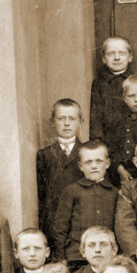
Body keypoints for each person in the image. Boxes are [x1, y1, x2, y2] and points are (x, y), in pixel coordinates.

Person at [53, 141, 118, 269]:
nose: (94, 166)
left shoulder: (114, 192)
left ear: (108, 163)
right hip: (77, 257)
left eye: (99, 161)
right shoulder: (71, 190)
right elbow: (61, 227)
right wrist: (61, 258)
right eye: (88, 162)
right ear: (81, 166)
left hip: (107, 256)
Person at [35, 98, 85, 238]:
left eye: (72, 119)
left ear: (81, 122)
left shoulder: (87, 152)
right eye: (61, 119)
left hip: (81, 219)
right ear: (52, 122)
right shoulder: (44, 155)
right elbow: (42, 194)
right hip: (54, 221)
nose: (67, 123)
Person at [89, 37, 132, 144]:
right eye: (111, 53)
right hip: (108, 141)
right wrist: (97, 141)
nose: (116, 58)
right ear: (104, 59)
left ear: (130, 57)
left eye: (122, 53)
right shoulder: (99, 84)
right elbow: (96, 117)